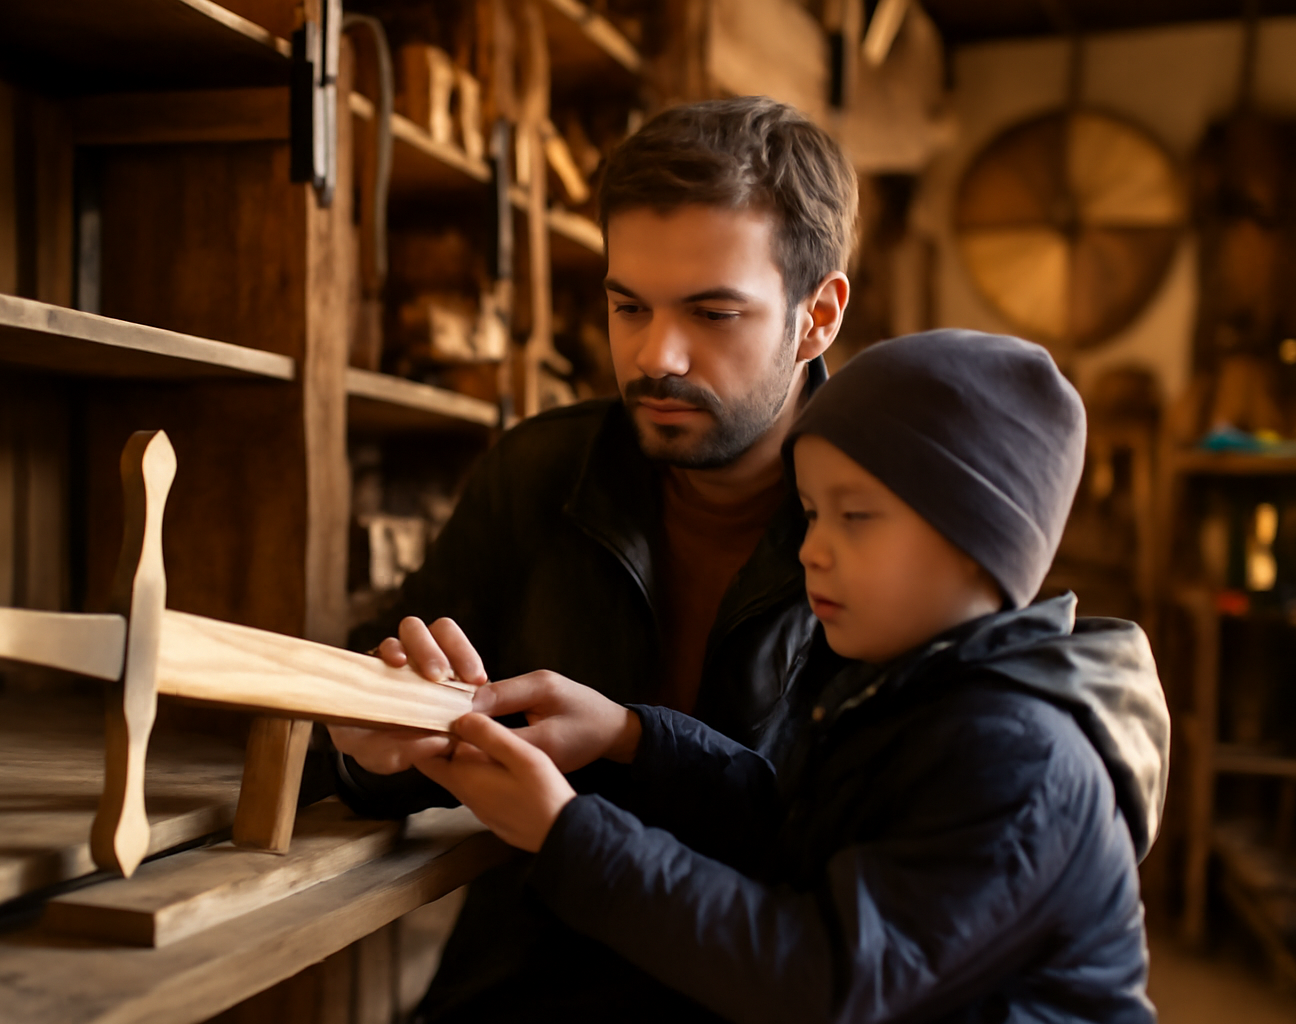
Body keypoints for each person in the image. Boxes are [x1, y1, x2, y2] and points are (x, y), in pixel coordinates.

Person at [407, 330, 1172, 1023]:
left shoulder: (1020, 759)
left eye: (856, 516)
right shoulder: (914, 693)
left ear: (979, 540)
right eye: (810, 513)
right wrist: (630, 736)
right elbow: (791, 830)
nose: (813, 549)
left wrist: (568, 834)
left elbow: (821, 980)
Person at [329, 96, 857, 1020]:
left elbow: (852, 873)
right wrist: (368, 748)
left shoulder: (894, 519)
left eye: (713, 313)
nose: (657, 356)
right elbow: (371, 736)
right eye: (627, 305)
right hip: (519, 991)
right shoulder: (537, 472)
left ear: (817, 319)